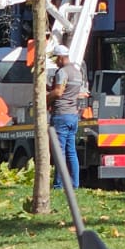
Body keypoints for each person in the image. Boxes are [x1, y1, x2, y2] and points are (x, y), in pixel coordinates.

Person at [47, 44, 89, 189]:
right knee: (71, 151)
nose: (55, 62)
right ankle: (74, 184)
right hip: (73, 116)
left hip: (61, 115)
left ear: (60, 57)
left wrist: (45, 99)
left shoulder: (62, 72)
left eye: (55, 59)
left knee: (59, 152)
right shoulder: (77, 72)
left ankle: (59, 184)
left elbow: (58, 92)